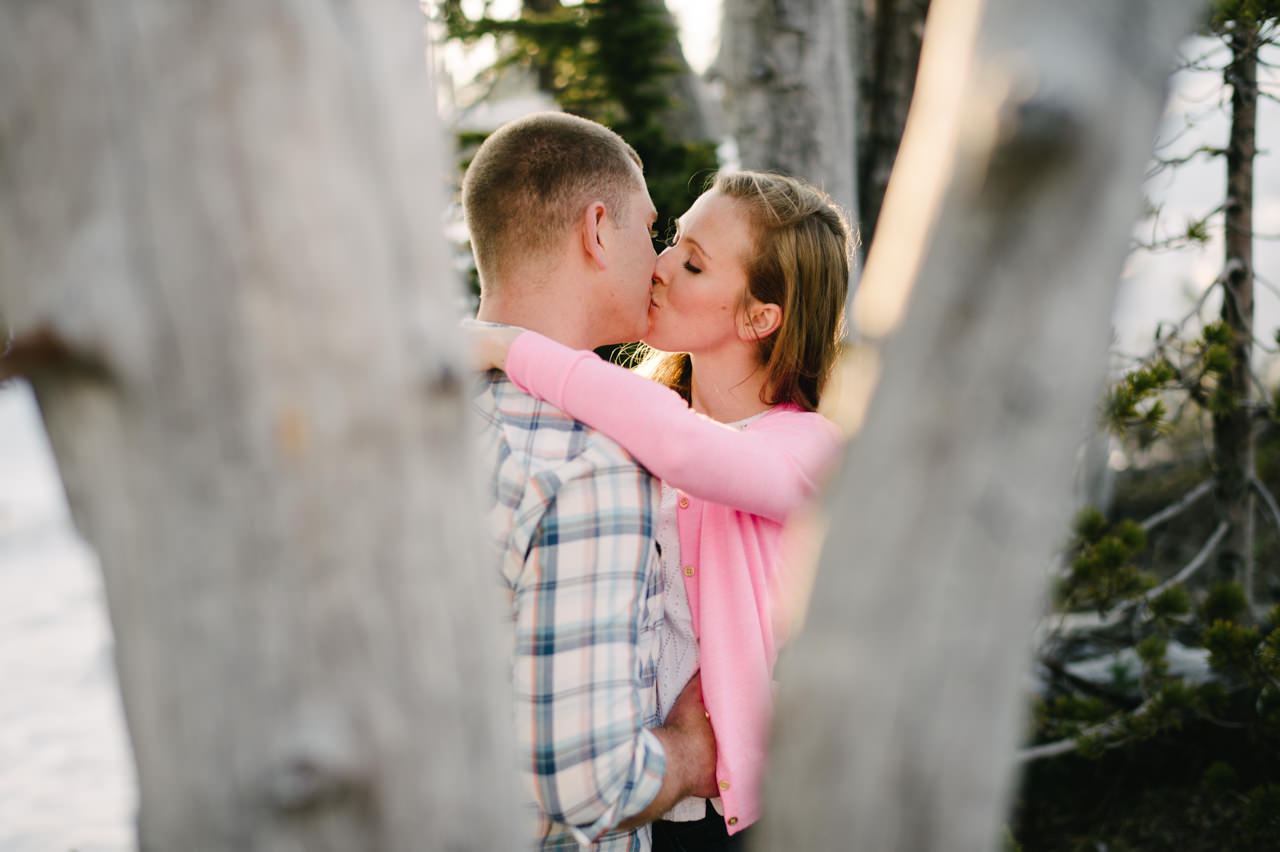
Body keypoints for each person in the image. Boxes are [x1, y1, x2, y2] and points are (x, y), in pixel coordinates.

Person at [470, 170, 852, 849]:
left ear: (759, 317)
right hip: (638, 795)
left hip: (736, 813)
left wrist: (509, 346)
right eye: (673, 238)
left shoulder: (808, 448)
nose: (662, 264)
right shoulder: (638, 417)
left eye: (695, 263)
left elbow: (682, 447)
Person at [464, 111, 719, 851]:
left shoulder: (403, 412)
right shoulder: (591, 466)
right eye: (651, 229)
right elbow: (591, 786)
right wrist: (694, 754)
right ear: (597, 230)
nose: (662, 260)